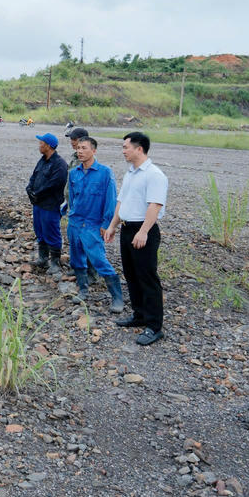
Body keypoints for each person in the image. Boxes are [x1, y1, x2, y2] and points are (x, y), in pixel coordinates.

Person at [103, 131, 168, 346]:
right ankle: (139, 315)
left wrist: (144, 231)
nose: (123, 151)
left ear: (139, 149)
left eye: (125, 147)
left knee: (147, 277)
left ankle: (154, 326)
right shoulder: (131, 173)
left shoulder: (154, 174)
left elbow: (155, 205)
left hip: (144, 230)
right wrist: (112, 226)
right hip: (127, 228)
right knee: (131, 274)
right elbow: (121, 202)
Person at [66, 136, 124, 311]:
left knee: (99, 259)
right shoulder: (73, 173)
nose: (80, 151)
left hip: (93, 224)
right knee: (76, 258)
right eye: (78, 148)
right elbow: (71, 197)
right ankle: (83, 290)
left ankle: (117, 298)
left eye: (84, 148)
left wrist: (107, 224)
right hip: (75, 223)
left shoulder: (105, 173)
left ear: (94, 151)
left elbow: (111, 200)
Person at [26, 132, 68, 277]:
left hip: (50, 205)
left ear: (48, 146)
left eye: (41, 143)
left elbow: (54, 184)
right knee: (39, 230)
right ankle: (43, 258)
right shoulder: (42, 160)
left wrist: (38, 193)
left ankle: (55, 263)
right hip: (38, 204)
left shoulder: (60, 164)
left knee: (52, 232)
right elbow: (34, 176)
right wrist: (29, 189)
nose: (39, 145)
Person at [60, 126, 95, 282]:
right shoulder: (74, 158)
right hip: (73, 205)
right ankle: (78, 268)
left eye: (73, 139)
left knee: (87, 240)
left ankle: (92, 273)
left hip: (85, 209)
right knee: (74, 239)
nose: (71, 142)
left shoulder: (88, 162)